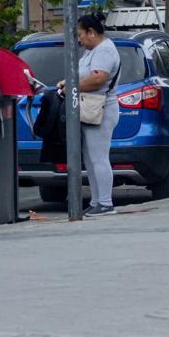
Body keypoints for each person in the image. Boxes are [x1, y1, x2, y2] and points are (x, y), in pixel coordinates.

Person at [57, 12, 121, 217]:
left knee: (99, 157)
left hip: (101, 109)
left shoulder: (104, 51)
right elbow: (84, 75)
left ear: (91, 32)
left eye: (80, 34)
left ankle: (105, 202)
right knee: (91, 158)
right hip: (91, 108)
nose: (79, 39)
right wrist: (68, 83)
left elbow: (98, 78)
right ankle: (96, 200)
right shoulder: (92, 51)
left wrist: (72, 87)